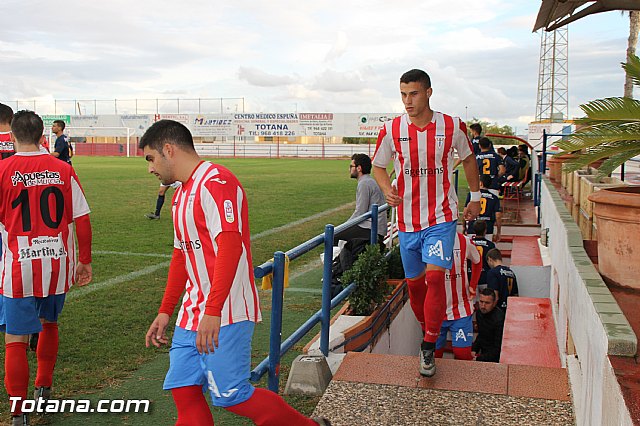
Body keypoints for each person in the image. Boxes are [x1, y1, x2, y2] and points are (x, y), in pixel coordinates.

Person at [140, 120, 330, 426]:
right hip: (192, 313)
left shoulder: (217, 182)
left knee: (232, 395)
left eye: (150, 158)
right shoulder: (179, 196)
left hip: (225, 312)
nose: (150, 168)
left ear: (168, 149)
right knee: (184, 391)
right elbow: (181, 256)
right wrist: (165, 311)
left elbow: (230, 248)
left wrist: (212, 310)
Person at [372, 68, 481, 378]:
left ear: (429, 92)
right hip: (407, 221)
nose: (408, 101)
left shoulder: (451, 125)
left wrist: (475, 197)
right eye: (403, 94)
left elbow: (469, 158)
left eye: (414, 94)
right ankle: (429, 330)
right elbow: (379, 167)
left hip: (441, 217)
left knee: (435, 280)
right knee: (416, 288)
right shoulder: (393, 129)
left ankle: (429, 344)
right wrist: (386, 189)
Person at [0, 111, 93, 426]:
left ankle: (18, 414)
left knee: (16, 339)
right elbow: (82, 218)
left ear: (12, 137)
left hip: (18, 266)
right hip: (56, 261)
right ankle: (43, 387)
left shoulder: (2, 171)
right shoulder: (63, 169)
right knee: (49, 324)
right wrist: (86, 260)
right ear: (43, 136)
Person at [434, 233, 481, 360]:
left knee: (462, 354)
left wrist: (473, 284)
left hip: (461, 309)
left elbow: (477, 260)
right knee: (434, 356)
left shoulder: (464, 241)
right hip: (436, 311)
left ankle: (464, 380)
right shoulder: (426, 241)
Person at [334, 153, 387, 244]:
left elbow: (360, 212)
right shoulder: (369, 181)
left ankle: (335, 258)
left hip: (372, 229)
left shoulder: (364, 183)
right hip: (375, 227)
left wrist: (344, 226)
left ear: (359, 168)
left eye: (351, 166)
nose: (349, 169)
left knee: (334, 235)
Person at [465, 174, 502, 241]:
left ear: (481, 183)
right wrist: (498, 232)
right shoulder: (494, 198)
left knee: (471, 249)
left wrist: (464, 227)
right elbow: (498, 216)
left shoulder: (471, 195)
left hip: (472, 228)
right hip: (488, 228)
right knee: (487, 249)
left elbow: (465, 212)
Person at [472, 288, 505, 362]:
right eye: (481, 302)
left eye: (487, 303)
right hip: (484, 353)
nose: (483, 306)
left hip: (497, 358)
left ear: (494, 303)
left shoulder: (499, 319)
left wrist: (479, 358)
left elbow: (498, 348)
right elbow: (481, 334)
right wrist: (474, 349)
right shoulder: (479, 313)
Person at [468, 220, 496, 295]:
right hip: (485, 278)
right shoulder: (491, 245)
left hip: (471, 277)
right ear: (485, 230)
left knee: (473, 303)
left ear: (474, 230)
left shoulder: (468, 243)